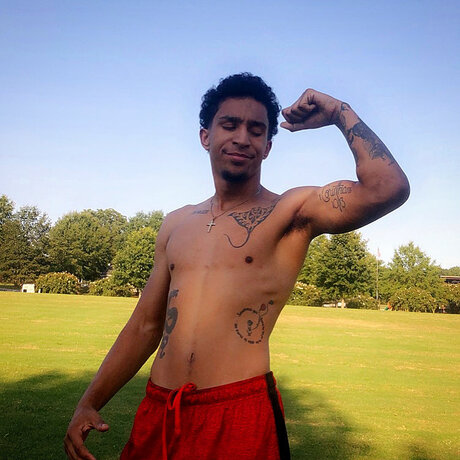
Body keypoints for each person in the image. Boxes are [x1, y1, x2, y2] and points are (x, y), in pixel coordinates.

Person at [64, 73, 410, 460]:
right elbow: (145, 324)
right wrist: (89, 401)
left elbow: (387, 188)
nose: (243, 138)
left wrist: (339, 112)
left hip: (239, 414)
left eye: (256, 130)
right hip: (160, 411)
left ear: (267, 147)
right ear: (205, 136)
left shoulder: (289, 211)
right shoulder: (176, 223)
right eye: (230, 125)